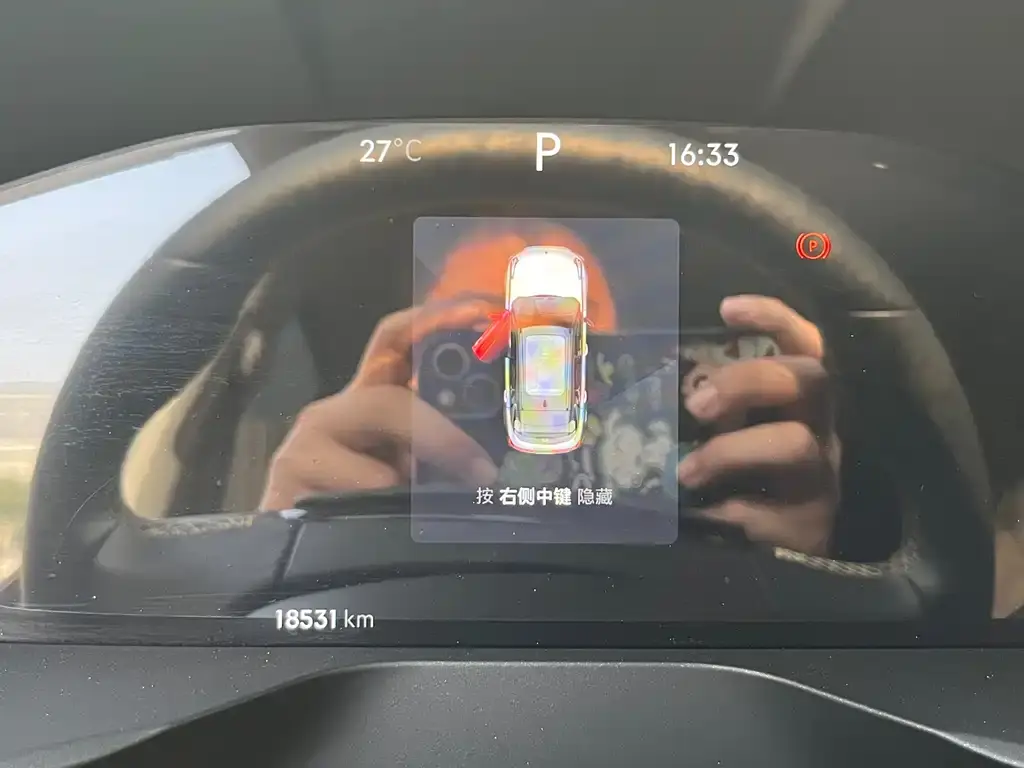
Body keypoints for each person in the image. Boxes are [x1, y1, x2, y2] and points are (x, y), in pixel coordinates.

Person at [261, 224, 841, 556]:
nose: (535, 378)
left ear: (627, 376)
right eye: (476, 341)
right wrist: (287, 542)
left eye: (571, 343)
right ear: (410, 376)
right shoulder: (354, 529)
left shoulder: (700, 525)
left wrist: (806, 565)